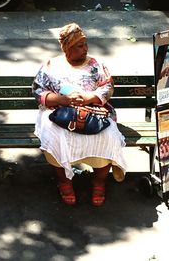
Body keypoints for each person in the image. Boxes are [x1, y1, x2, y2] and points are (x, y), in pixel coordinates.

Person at [32, 23, 127, 207]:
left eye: (85, 44)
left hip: (93, 111)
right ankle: (64, 182)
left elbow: (108, 87)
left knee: (108, 136)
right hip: (60, 113)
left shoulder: (95, 65)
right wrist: (61, 99)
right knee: (54, 135)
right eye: (80, 45)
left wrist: (90, 97)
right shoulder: (51, 66)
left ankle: (99, 182)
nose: (85, 49)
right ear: (67, 48)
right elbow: (37, 91)